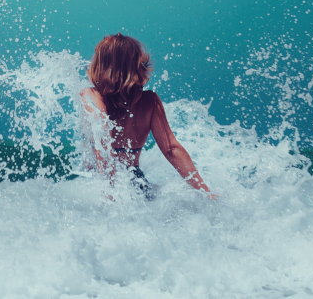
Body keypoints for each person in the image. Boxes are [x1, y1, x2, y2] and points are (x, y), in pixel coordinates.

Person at [80, 33, 216, 200]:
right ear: (138, 66)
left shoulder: (90, 95)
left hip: (99, 183)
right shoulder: (150, 101)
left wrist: (108, 195)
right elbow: (172, 149)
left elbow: (103, 139)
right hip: (136, 183)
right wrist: (206, 192)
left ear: (101, 66)